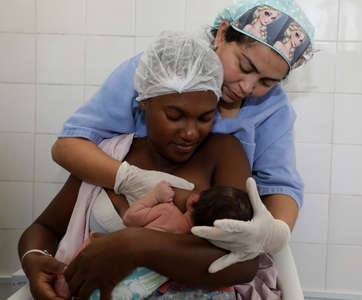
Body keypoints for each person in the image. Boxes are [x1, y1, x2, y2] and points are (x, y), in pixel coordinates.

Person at [48, 0, 314, 295]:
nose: (248, 88)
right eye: (244, 66)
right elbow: (70, 145)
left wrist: (272, 231)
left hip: (206, 251)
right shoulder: (162, 69)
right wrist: (127, 178)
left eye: (267, 81)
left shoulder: (265, 114)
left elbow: (280, 184)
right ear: (222, 33)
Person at [19, 31, 269, 300]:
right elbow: (44, 228)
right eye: (174, 116)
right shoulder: (110, 155)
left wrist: (133, 245)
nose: (190, 133)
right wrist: (34, 261)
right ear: (144, 104)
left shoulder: (223, 152)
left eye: (205, 118)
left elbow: (243, 261)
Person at [54, 182, 253, 299]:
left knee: (94, 242)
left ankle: (64, 282)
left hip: (120, 264)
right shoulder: (200, 243)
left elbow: (130, 218)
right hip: (145, 282)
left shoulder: (167, 211)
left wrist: (154, 196)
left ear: (193, 201)